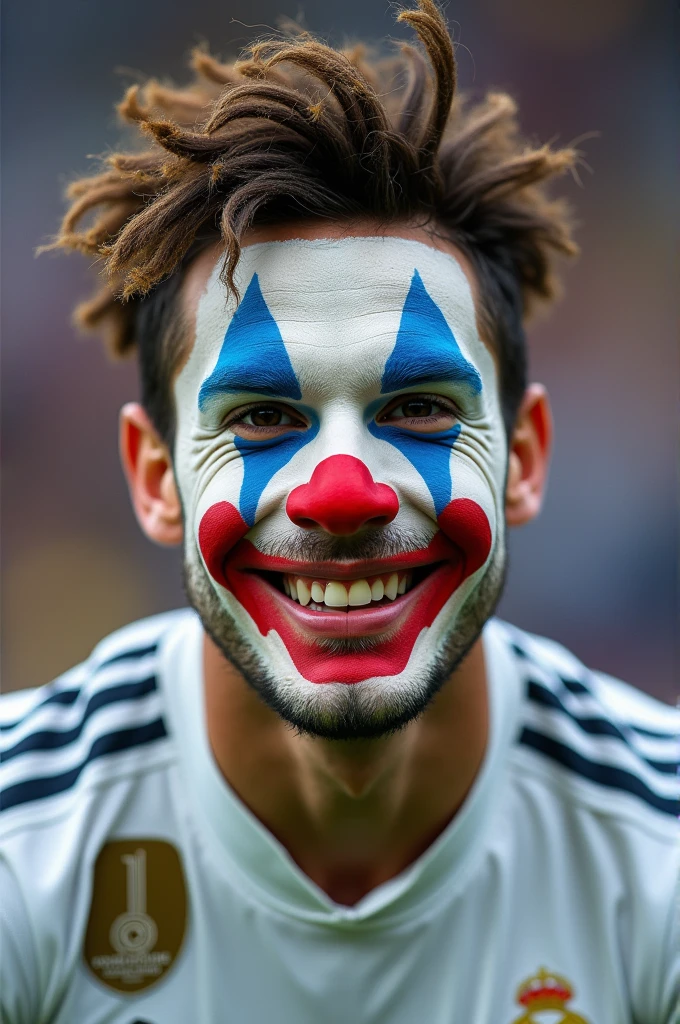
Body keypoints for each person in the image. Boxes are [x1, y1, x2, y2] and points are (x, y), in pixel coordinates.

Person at [1, 2, 678, 1021]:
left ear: (525, 459)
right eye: (264, 417)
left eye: (417, 408)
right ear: (155, 478)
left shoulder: (654, 846)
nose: (342, 495)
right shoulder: (24, 842)